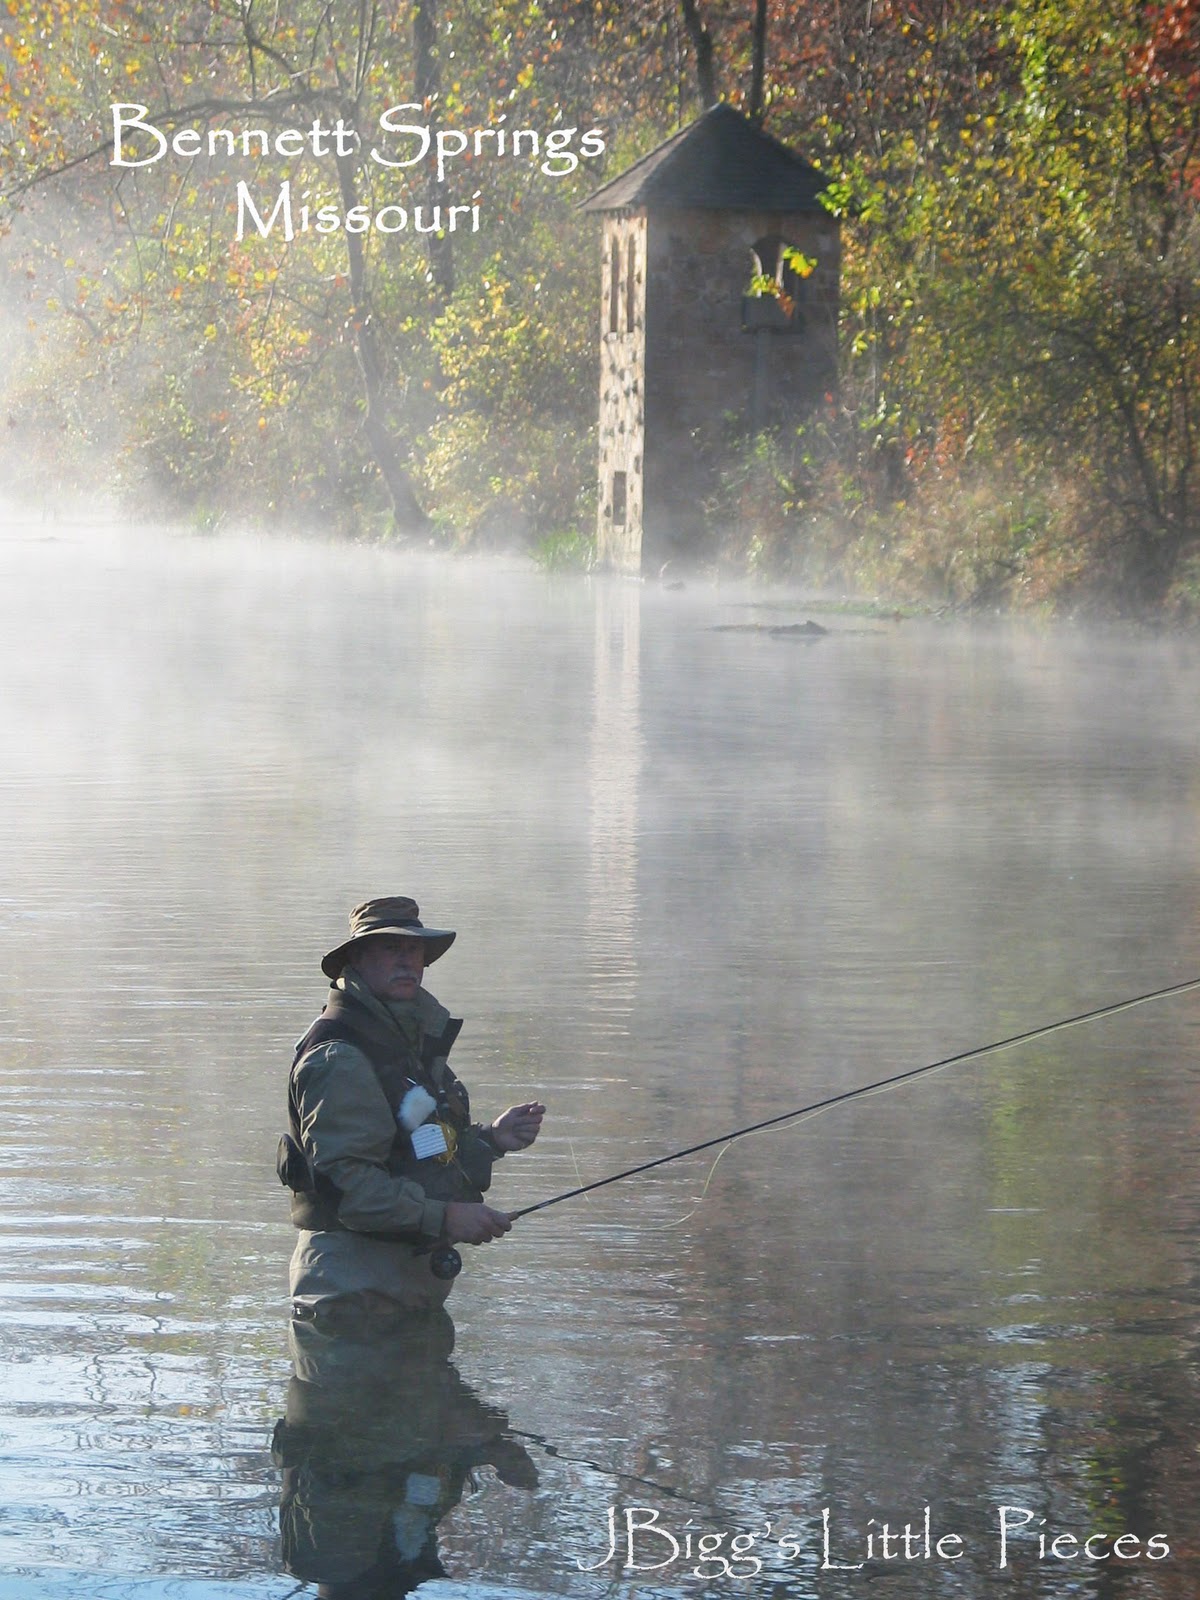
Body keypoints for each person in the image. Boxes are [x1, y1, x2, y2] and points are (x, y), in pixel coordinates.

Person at [281, 896, 544, 1318]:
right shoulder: (341, 1055)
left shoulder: (405, 1036)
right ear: (358, 959)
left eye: (414, 950)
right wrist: (445, 1217)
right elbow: (348, 1187)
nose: (407, 961)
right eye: (390, 948)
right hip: (352, 1290)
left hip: (408, 1282)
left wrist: (490, 1140)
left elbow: (414, 1147)